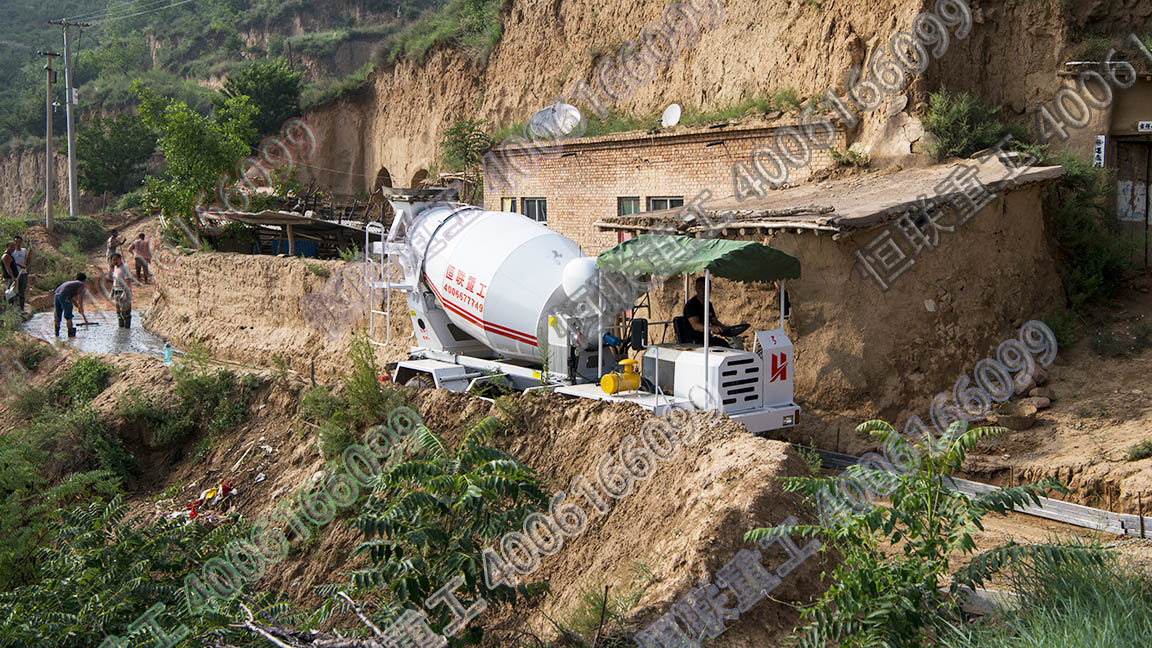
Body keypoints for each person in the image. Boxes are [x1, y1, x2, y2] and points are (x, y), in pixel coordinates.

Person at [683, 276, 730, 347]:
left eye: (705, 288)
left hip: (706, 338)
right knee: (722, 345)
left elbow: (714, 321)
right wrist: (711, 328)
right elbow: (695, 325)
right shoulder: (691, 305)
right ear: (696, 288)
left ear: (710, 289)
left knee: (725, 344)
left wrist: (725, 328)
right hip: (693, 339)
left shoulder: (708, 304)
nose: (703, 290)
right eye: (700, 288)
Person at [54, 273, 90, 337]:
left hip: (56, 295)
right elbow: (80, 296)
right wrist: (81, 306)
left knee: (57, 315)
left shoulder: (71, 283)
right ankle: (70, 334)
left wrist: (78, 306)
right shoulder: (81, 285)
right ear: (84, 280)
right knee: (69, 316)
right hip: (64, 296)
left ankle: (56, 334)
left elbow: (72, 298)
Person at [111, 253, 132, 329]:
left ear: (120, 259)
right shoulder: (115, 268)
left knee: (125, 312)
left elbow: (128, 281)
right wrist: (112, 292)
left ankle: (127, 329)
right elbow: (115, 281)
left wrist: (125, 293)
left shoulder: (124, 268)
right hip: (116, 291)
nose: (115, 262)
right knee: (119, 313)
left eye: (116, 260)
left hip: (124, 291)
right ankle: (121, 329)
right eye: (113, 260)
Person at [11, 235, 28, 310]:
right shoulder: (12, 252)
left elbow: (27, 261)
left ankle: (21, 308)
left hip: (23, 273)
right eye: (16, 242)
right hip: (15, 274)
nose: (18, 243)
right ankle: (14, 309)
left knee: (22, 292)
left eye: (19, 242)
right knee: (14, 292)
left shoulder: (24, 251)